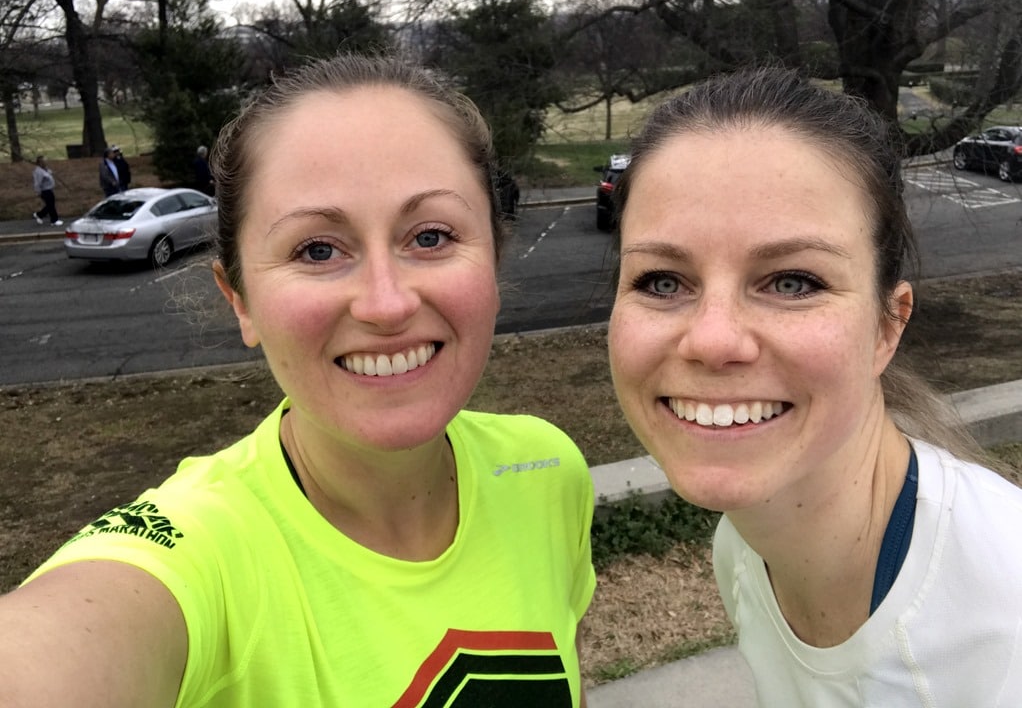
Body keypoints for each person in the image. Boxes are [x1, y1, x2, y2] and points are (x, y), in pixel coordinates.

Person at [0, 53, 596, 707]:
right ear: (240, 301)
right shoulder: (204, 553)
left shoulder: (548, 472)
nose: (386, 304)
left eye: (430, 237)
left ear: (495, 264)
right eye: (317, 249)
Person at [606, 65, 1022, 705]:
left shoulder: (1003, 620)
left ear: (887, 325)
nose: (713, 340)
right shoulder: (744, 546)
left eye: (793, 282)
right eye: (662, 281)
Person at [31, 154, 62, 226]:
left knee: (50, 205)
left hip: (49, 189)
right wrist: (38, 192)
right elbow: (37, 183)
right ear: (40, 162)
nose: (46, 162)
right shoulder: (38, 171)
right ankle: (54, 220)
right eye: (44, 161)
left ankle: (39, 215)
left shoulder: (45, 169)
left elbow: (49, 174)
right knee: (51, 205)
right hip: (44, 190)